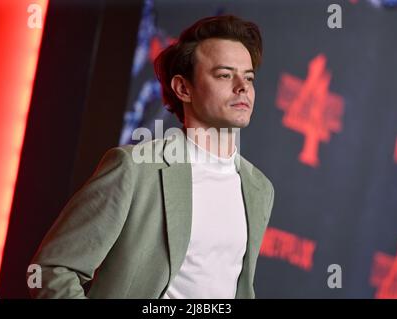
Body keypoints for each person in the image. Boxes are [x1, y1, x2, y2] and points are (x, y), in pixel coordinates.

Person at [28, 15, 274, 299]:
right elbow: (50, 270)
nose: (242, 86)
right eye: (224, 75)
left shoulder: (259, 189)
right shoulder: (135, 169)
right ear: (183, 88)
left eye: (249, 77)